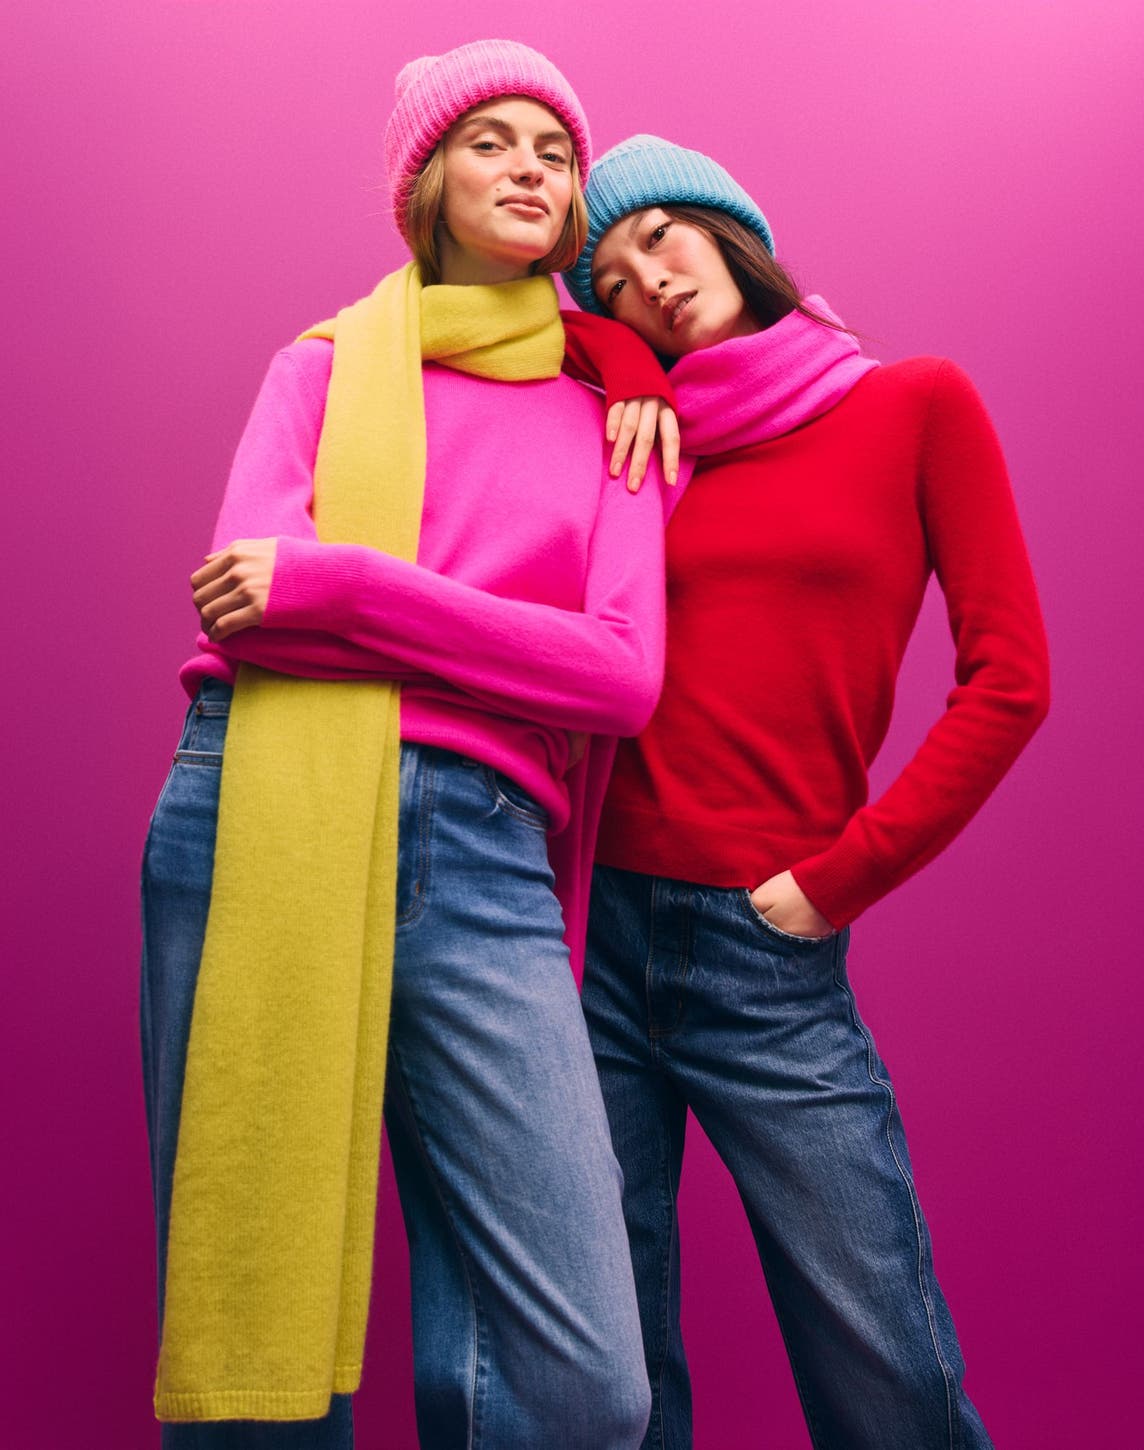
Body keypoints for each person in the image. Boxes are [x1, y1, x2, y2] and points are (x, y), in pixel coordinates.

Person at [140, 48, 681, 1450]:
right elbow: (241, 605)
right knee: (249, 1348)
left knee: (582, 1386)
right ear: (427, 184)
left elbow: (618, 678)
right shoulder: (320, 366)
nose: (529, 167)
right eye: (491, 141)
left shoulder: (618, 418)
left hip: (484, 853)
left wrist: (349, 590)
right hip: (254, 802)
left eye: (554, 151)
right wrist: (478, 637)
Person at [564, 134, 1050, 1449]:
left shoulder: (913, 404)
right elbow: (517, 346)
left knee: (885, 1368)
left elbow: (1012, 678)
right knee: (616, 1376)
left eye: (659, 235)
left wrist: (842, 878)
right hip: (593, 933)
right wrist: (608, 355)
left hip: (764, 945)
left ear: (731, 230)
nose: (644, 282)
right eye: (607, 281)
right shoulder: (640, 437)